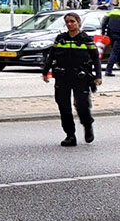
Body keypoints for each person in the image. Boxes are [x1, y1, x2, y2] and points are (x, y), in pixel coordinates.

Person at [41, 12, 102, 146]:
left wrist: (98, 76)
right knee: (64, 107)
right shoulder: (61, 38)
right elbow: (51, 57)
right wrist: (45, 72)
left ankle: (87, 124)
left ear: (79, 23)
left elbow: (96, 59)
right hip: (63, 77)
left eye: (72, 21)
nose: (69, 24)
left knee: (82, 105)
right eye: (67, 22)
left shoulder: (86, 39)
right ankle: (70, 135)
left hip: (81, 77)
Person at [103, 5, 120, 77]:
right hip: (119, 36)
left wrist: (103, 33)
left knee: (117, 51)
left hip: (111, 36)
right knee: (115, 53)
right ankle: (108, 70)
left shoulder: (110, 13)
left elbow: (103, 24)